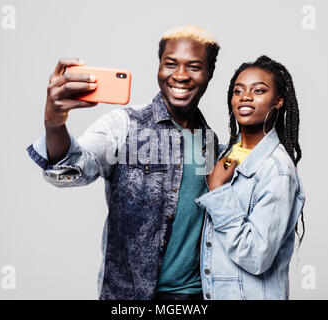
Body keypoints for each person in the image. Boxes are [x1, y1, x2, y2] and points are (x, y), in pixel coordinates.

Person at [26, 26, 220, 300]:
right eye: (170, 64)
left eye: (194, 66)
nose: (180, 75)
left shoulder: (210, 141)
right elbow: (72, 167)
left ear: (210, 72)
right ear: (159, 67)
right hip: (132, 297)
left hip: (199, 296)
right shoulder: (124, 125)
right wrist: (54, 124)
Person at [195, 56, 305, 300]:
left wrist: (217, 192)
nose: (245, 96)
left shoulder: (277, 170)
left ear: (278, 101)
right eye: (238, 90)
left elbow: (257, 256)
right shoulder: (227, 153)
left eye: (258, 90)